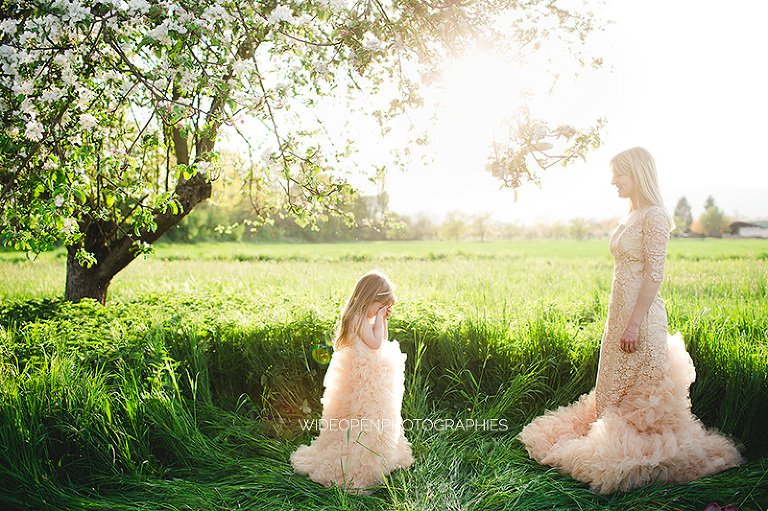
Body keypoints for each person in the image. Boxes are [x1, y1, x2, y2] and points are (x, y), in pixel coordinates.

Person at [518, 147, 742, 494]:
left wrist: (634, 324)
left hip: (641, 319)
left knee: (638, 398)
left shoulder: (654, 216)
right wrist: (621, 321)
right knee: (610, 392)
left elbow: (654, 275)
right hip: (619, 316)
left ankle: (643, 460)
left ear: (637, 174)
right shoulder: (632, 215)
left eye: (618, 174)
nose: (612, 181)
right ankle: (605, 444)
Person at [291, 270, 413, 492]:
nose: (379, 312)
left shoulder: (362, 317)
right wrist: (378, 318)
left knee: (375, 420)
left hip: (368, 377)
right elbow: (376, 344)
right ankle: (358, 463)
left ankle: (379, 455)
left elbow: (381, 340)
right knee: (362, 422)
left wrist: (381, 318)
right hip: (362, 380)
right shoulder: (356, 318)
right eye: (379, 306)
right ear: (369, 298)